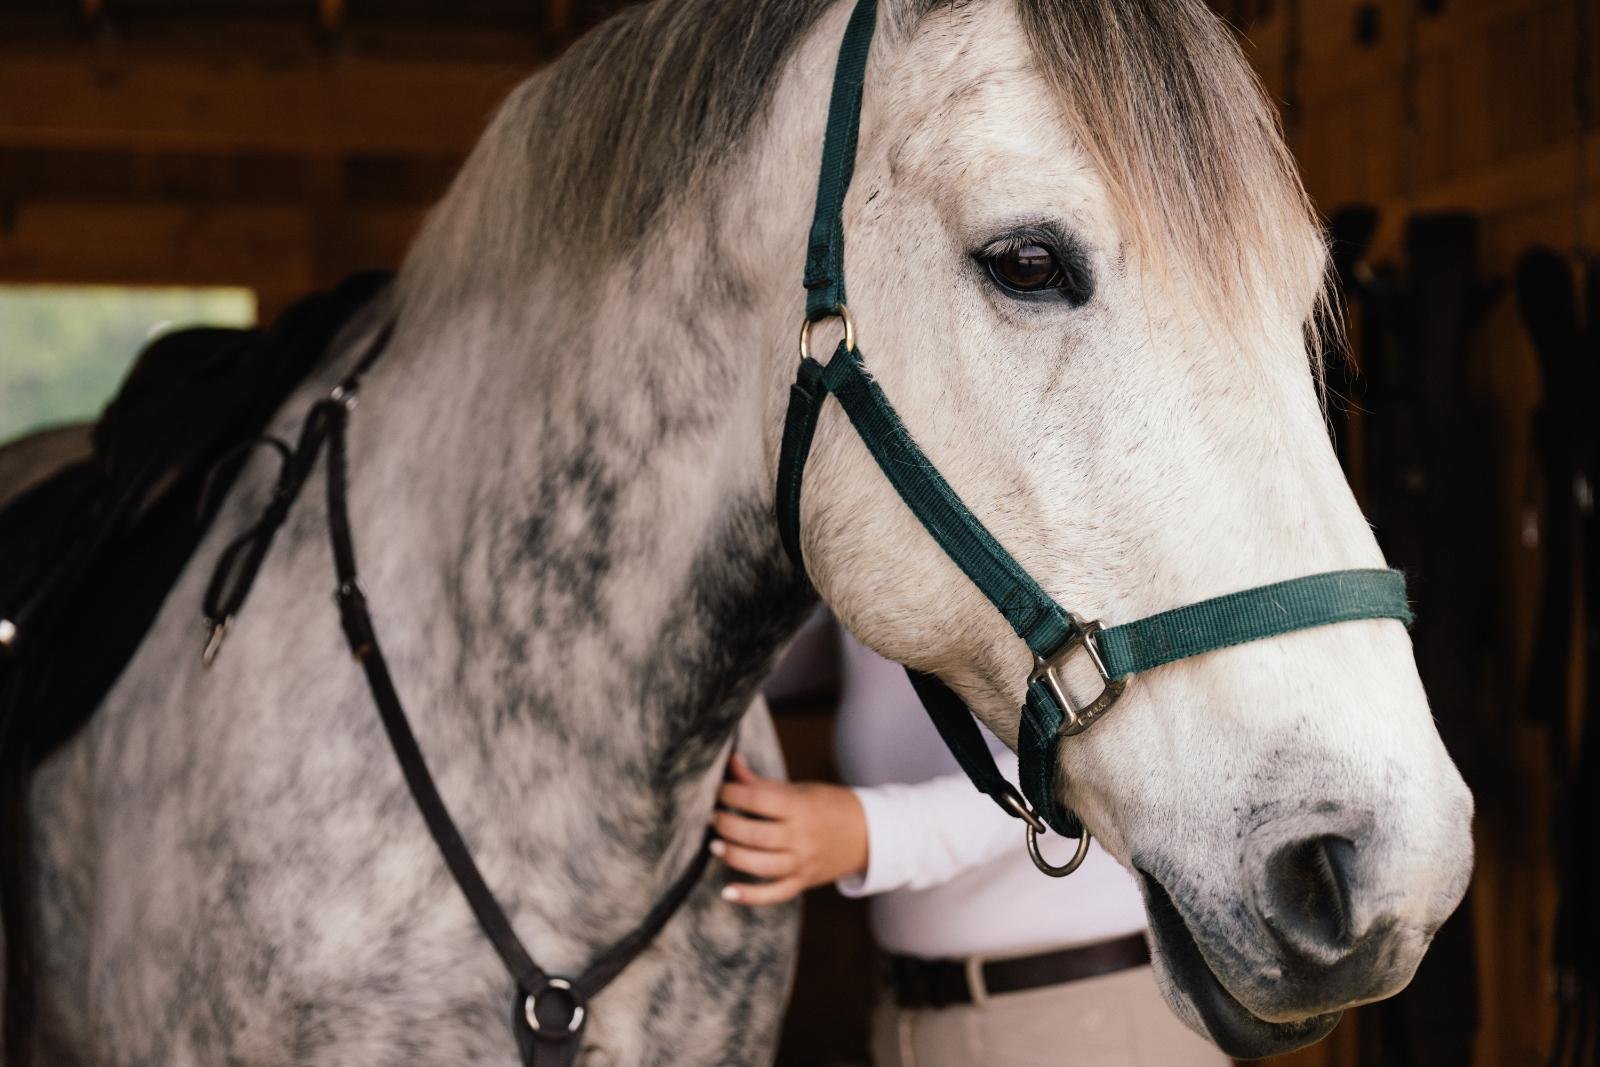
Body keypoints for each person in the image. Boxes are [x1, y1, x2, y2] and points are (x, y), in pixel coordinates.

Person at [714, 628, 1229, 1066]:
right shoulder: (863, 560)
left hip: (1085, 1024)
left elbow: (1105, 745)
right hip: (907, 1021)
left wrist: (880, 834)